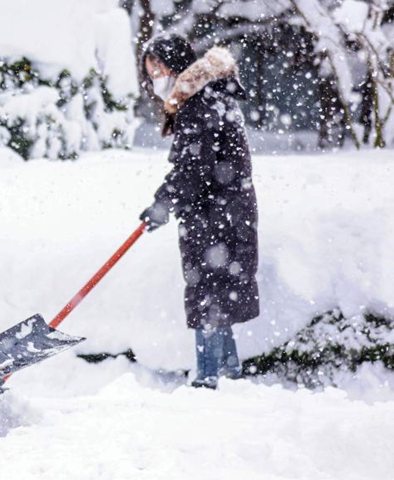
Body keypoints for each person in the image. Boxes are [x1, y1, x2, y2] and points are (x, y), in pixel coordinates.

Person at [138, 35, 259, 389]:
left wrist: (163, 203)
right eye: (150, 71)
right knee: (218, 293)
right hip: (224, 210)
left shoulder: (199, 101)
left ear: (175, 65)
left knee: (209, 293)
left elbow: (193, 168)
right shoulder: (210, 95)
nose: (155, 77)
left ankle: (208, 378)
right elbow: (198, 165)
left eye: (158, 68)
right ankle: (229, 372)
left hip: (215, 215)